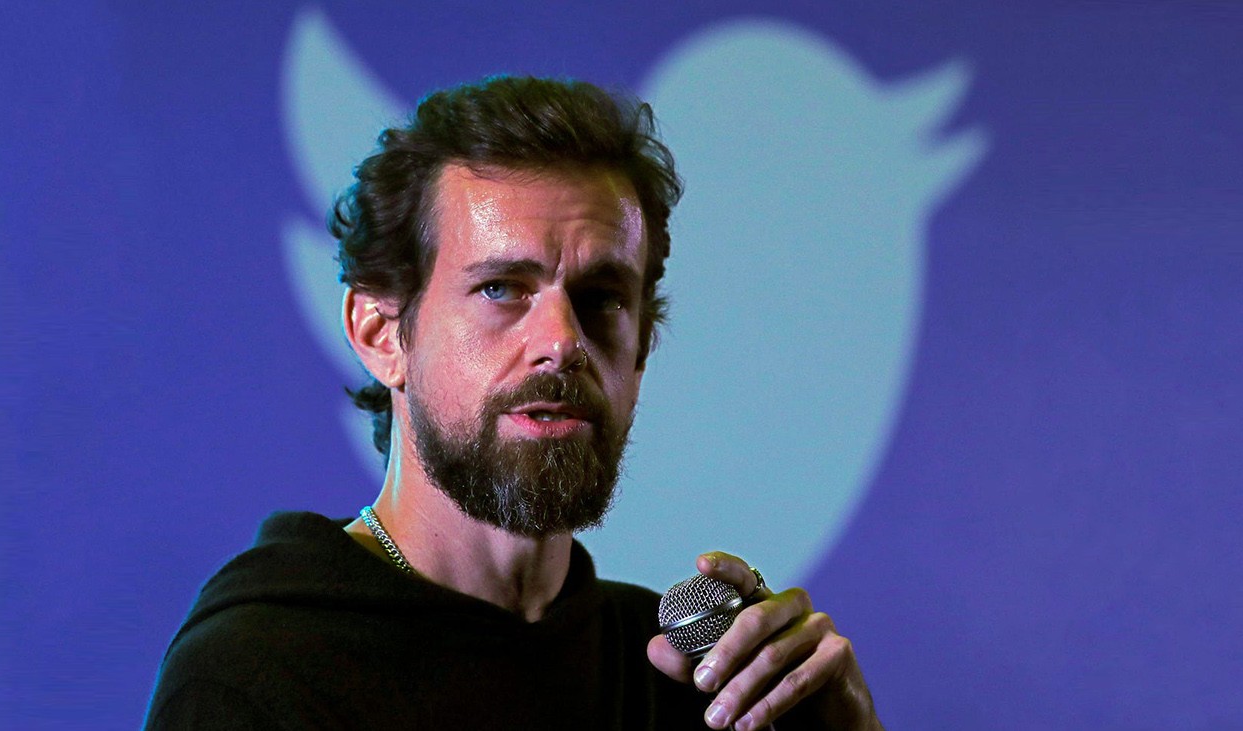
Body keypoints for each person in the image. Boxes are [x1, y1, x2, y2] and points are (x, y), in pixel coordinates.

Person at [145, 75, 883, 730]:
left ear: (641, 352)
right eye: (501, 288)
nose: (561, 340)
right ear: (381, 334)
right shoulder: (258, 676)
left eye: (600, 299)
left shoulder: (689, 679)